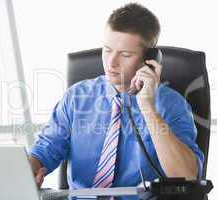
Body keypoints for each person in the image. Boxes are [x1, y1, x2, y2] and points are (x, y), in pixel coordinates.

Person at [28, 2, 204, 198]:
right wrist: (30, 169)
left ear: (149, 58)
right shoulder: (76, 97)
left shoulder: (171, 105)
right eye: (107, 50)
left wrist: (147, 108)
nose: (111, 63)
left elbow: (187, 176)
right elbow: (46, 149)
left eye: (125, 54)